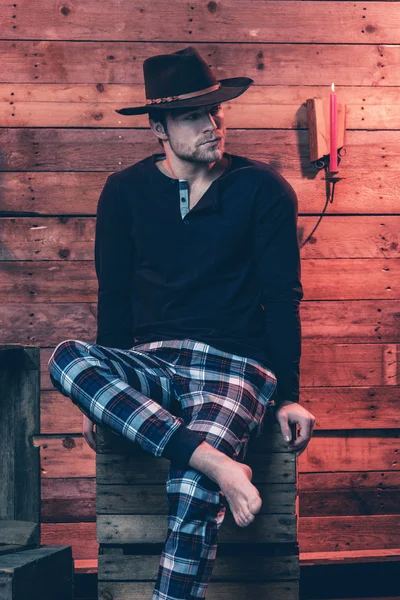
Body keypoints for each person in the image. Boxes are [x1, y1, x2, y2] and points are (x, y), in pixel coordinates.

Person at [48, 45, 315, 599]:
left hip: (236, 367)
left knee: (193, 489)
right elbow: (115, 297)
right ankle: (214, 460)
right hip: (155, 362)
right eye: (194, 115)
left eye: (216, 111)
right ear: (159, 127)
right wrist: (108, 399)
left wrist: (288, 394)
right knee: (66, 358)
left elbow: (282, 298)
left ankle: (200, 475)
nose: (212, 125)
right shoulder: (124, 192)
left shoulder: (263, 189)